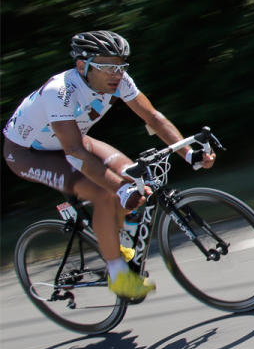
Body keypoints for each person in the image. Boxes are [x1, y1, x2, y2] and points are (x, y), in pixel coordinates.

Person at [3, 30, 216, 299]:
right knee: (104, 192)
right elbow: (73, 150)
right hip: (27, 153)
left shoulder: (120, 80)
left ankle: (117, 239)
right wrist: (119, 188)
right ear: (83, 66)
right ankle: (118, 275)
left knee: (133, 175)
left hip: (71, 140)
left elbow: (152, 117)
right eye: (107, 67)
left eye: (121, 66)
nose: (117, 73)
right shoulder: (60, 91)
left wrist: (189, 154)